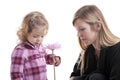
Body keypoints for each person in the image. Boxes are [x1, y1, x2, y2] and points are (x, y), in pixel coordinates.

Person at [70, 5, 120, 80]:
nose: (78, 35)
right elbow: (73, 76)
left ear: (98, 26)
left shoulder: (117, 50)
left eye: (82, 29)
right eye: (77, 30)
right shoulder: (86, 51)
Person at [10, 11, 61, 80]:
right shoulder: (20, 50)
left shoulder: (40, 46)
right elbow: (16, 74)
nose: (39, 40)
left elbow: (44, 57)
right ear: (25, 33)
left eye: (42, 36)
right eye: (35, 36)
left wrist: (52, 59)